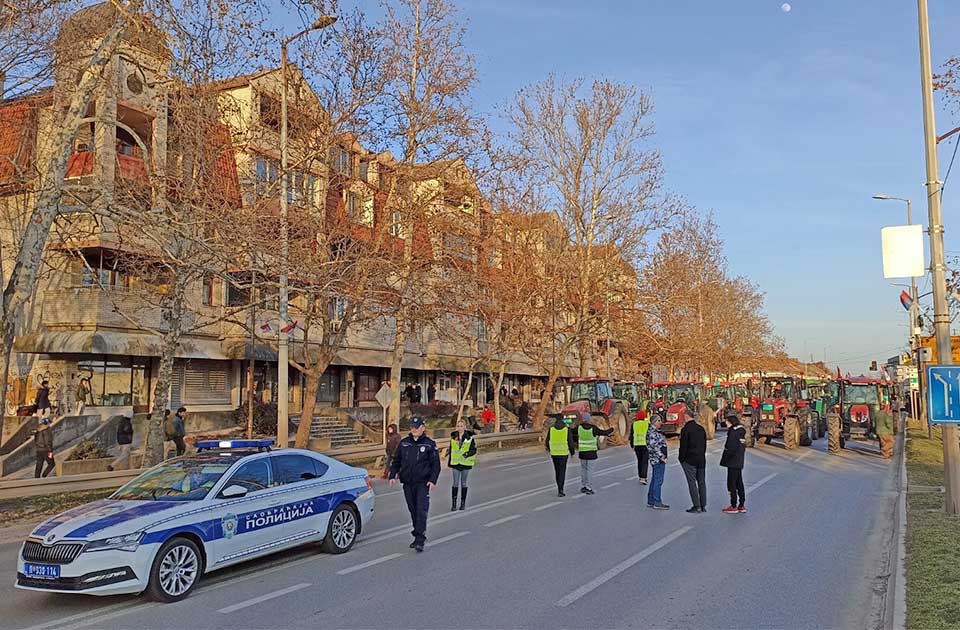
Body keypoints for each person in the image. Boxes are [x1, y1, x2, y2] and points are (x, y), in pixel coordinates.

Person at [389, 417, 440, 552]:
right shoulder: (404, 443)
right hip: (408, 482)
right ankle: (418, 533)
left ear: (423, 428)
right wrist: (392, 475)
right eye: (412, 427)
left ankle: (419, 539)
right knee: (413, 510)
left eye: (416, 427)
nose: (414, 430)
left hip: (423, 483)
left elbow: (436, 464)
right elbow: (396, 460)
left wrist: (432, 480)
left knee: (421, 510)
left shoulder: (429, 444)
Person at [577, 411, 614, 494]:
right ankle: (588, 487)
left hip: (582, 453)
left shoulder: (579, 428)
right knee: (589, 471)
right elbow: (603, 432)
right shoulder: (593, 428)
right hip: (591, 453)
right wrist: (612, 429)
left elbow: (571, 431)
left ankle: (583, 486)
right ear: (589, 419)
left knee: (583, 470)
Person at [679, 414, 707, 513]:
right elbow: (704, 445)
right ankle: (703, 505)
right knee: (701, 482)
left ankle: (696, 506)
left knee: (692, 482)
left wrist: (681, 459)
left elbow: (683, 447)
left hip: (690, 460)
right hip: (701, 459)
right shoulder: (701, 429)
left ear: (686, 417)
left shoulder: (686, 430)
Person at [721, 410, 747, 514]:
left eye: (727, 422)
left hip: (732, 462)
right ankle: (741, 505)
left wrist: (725, 459)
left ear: (731, 422)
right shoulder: (741, 432)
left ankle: (733, 505)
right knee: (739, 483)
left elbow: (729, 448)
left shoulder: (733, 433)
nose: (726, 424)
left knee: (731, 484)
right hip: (739, 461)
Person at [448, 418, 476, 511]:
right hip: (456, 463)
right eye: (458, 426)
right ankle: (454, 504)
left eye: (461, 426)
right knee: (455, 483)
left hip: (465, 463)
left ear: (465, 427)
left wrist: (467, 454)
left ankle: (463, 503)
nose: (459, 428)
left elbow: (473, 450)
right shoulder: (453, 437)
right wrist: (449, 461)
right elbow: (451, 449)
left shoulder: (469, 438)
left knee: (463, 483)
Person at [546, 414, 577, 496]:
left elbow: (547, 441)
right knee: (562, 471)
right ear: (563, 419)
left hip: (554, 454)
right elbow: (570, 442)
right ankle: (561, 490)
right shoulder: (566, 429)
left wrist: (550, 449)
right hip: (563, 454)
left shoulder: (551, 429)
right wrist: (572, 452)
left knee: (557, 471)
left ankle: (559, 487)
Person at [646, 414, 670, 509]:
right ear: (654, 422)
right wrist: (662, 457)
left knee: (655, 480)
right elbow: (654, 447)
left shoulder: (655, 431)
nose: (661, 423)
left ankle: (651, 501)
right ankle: (657, 502)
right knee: (658, 481)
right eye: (659, 421)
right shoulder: (652, 432)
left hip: (657, 459)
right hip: (657, 459)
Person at [629, 409, 650, 484]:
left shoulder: (634, 424)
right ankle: (643, 478)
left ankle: (640, 476)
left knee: (640, 461)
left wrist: (632, 445)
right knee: (645, 462)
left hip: (637, 445)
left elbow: (631, 435)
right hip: (645, 445)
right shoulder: (647, 424)